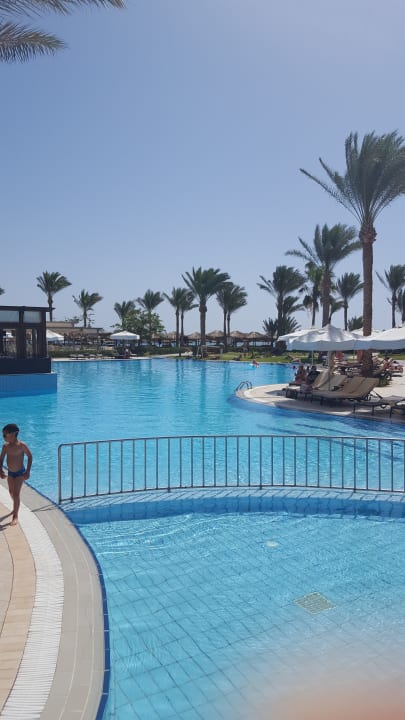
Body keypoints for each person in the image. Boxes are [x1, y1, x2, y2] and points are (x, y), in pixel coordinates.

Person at [0, 423, 32, 526]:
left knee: (16, 493)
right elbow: (1, 459)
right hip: (10, 472)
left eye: (5, 435)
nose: (3, 437)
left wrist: (27, 471)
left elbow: (30, 456)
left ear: (13, 434)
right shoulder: (5, 446)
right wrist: (0, 470)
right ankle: (16, 504)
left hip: (20, 473)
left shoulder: (22, 445)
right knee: (11, 492)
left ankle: (15, 516)